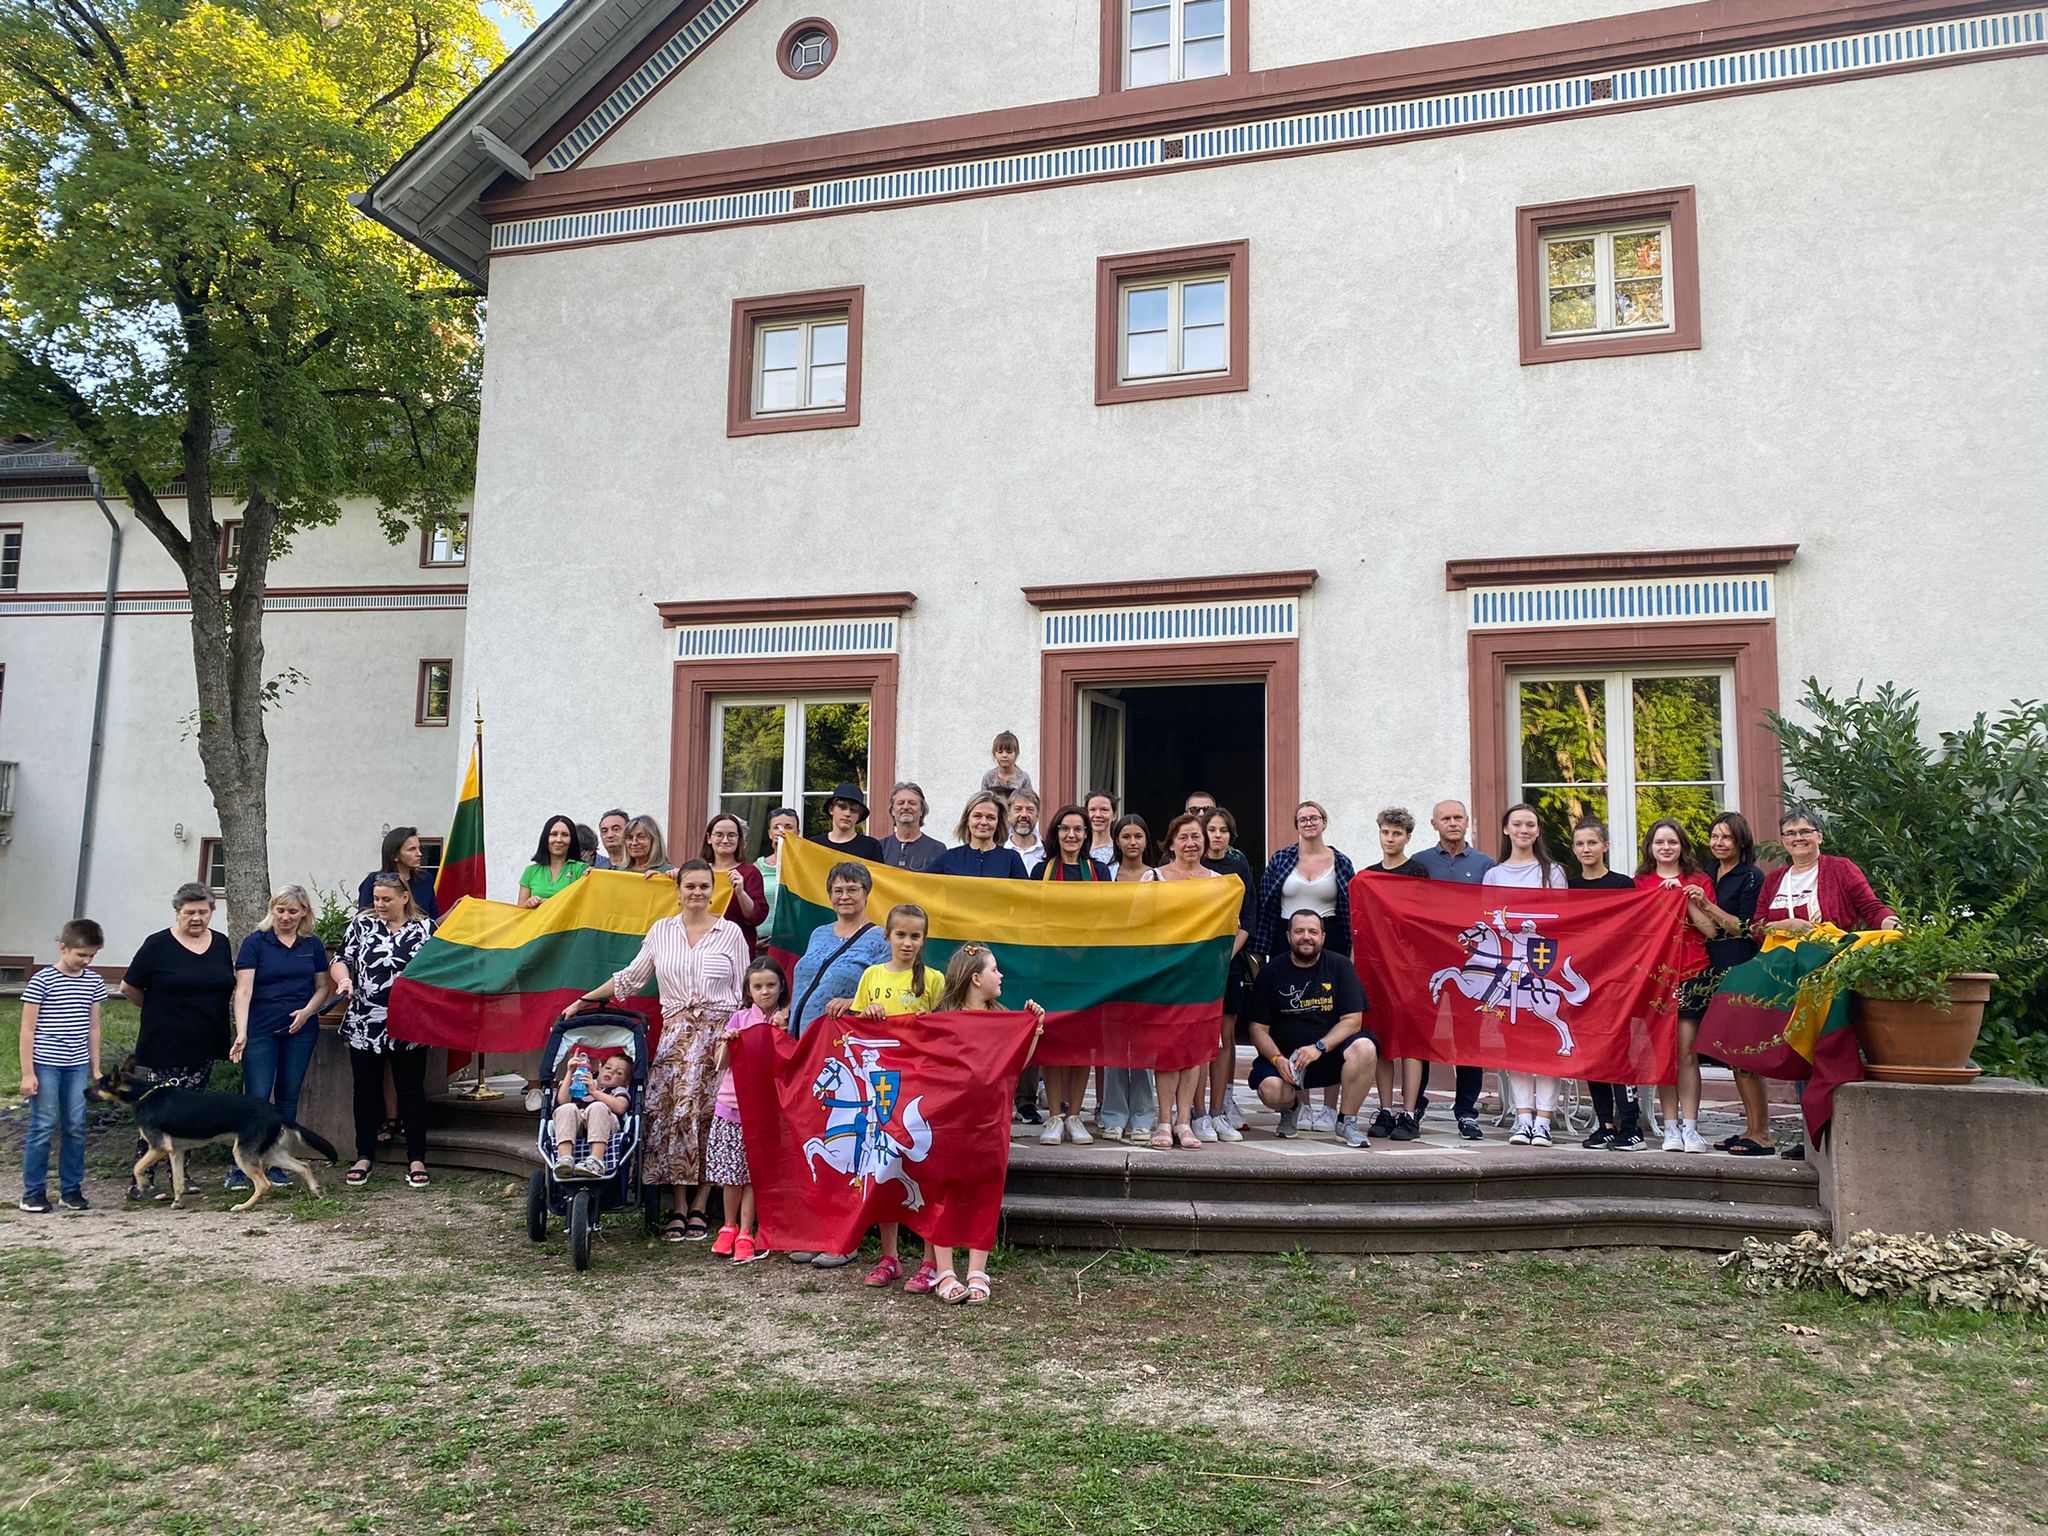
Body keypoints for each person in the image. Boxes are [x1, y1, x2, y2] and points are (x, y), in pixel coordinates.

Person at [560, 861, 751, 1243]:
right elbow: (629, 978)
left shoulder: (730, 932)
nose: (696, 893)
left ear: (712, 891)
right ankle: (678, 1205)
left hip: (720, 1041)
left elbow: (745, 991)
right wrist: (583, 1000)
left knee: (714, 1118)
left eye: (703, 886)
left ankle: (702, 1201)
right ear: (678, 890)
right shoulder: (661, 931)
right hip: (678, 1039)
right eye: (689, 886)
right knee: (674, 1119)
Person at [928, 943, 1045, 1304]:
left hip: (989, 1120)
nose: (1001, 976)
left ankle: (978, 1268)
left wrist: (1032, 1029)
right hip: (947, 1120)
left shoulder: (1002, 1018)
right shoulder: (942, 1017)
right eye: (995, 970)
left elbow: (1015, 1065)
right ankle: (944, 1270)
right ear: (976, 978)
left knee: (985, 1189)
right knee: (941, 1189)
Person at [850, 903, 946, 1292]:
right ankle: (889, 1257)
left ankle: (929, 1261)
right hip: (882, 1085)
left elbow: (946, 1029)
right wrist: (866, 1012)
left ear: (924, 940)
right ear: (887, 936)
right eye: (901, 935)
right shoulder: (871, 976)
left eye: (915, 936)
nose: (907, 943)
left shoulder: (934, 979)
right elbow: (855, 1028)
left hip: (921, 1085)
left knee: (923, 1169)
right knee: (883, 1165)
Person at [121, 883, 235, 1201]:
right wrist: (157, 1009)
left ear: (212, 911)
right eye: (189, 912)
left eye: (203, 911)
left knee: (189, 1113)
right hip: (164, 1043)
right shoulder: (157, 945)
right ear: (177, 912)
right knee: (158, 1113)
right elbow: (128, 987)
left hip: (205, 1041)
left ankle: (181, 1174)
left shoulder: (221, 944)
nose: (197, 918)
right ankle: (141, 1178)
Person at [1140, 814, 1245, 1149]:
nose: (1191, 843)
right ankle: (1163, 1121)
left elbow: (1230, 927)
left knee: (1196, 1048)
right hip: (1165, 976)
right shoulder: (1153, 878)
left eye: (1196, 837)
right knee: (1169, 1049)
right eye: (1183, 837)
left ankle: (1185, 1122)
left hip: (1203, 977)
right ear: (1170, 844)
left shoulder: (1219, 882)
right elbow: (1138, 924)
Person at [1250, 801, 1356, 1132]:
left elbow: (1352, 907)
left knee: (1330, 1014)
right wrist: (1261, 953)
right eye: (1302, 819)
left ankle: (1329, 1107)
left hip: (1331, 939)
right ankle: (1301, 1101)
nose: (1309, 823)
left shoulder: (1340, 861)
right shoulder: (1282, 859)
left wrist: (1352, 951)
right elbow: (1266, 905)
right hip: (1288, 941)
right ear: (1296, 824)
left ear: (1325, 822)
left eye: (1314, 818)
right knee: (1293, 1017)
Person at [330, 873, 436, 1189]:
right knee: (365, 1090)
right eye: (376, 899)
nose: (379, 905)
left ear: (404, 898)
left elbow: (440, 968)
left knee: (411, 1091)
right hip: (365, 1020)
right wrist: (344, 979)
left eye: (386, 899)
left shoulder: (425, 928)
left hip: (410, 1024)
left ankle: (417, 1157)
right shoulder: (362, 925)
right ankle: (364, 1155)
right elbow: (341, 958)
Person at [229, 884, 333, 1190]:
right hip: (261, 1029)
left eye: (292, 911)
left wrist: (306, 1012)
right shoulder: (256, 942)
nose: (285, 917)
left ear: (304, 913)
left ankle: (276, 1163)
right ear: (272, 910)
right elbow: (244, 990)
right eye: (280, 910)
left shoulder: (311, 944)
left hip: (300, 1030)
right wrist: (242, 1032)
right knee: (256, 1098)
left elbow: (323, 987)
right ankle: (242, 1167)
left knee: (288, 1098)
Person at [1247, 911, 1379, 1147]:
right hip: (1288, 1060)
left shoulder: (1341, 967)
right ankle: (1292, 1107)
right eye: (1299, 931)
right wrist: (1277, 1059)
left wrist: (1319, 1047)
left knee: (1365, 1047)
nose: (1306, 937)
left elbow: (1353, 1020)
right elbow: (1257, 1028)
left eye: (1312, 932)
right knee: (1270, 1090)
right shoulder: (1270, 972)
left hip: (1330, 1055)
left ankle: (1346, 1121)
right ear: (1288, 936)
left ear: (1323, 936)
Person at [1483, 803, 1571, 1147]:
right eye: (1517, 824)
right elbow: (1487, 920)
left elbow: (1563, 918)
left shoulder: (1553, 872)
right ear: (1506, 830)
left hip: (1542, 961)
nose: (1524, 830)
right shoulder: (1494, 875)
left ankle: (1544, 1119)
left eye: (1530, 824)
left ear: (1537, 831)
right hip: (1506, 961)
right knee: (1516, 1040)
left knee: (1546, 1041)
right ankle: (1522, 1117)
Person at [1637, 818, 1724, 1155]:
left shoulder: (1699, 881)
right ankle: (1669, 1127)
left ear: (1682, 846)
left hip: (1692, 971)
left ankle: (1691, 1126)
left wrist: (1687, 900)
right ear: (1650, 848)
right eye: (1659, 842)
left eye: (1672, 842)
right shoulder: (1640, 883)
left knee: (1687, 1052)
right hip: (1655, 978)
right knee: (1664, 1052)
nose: (1666, 848)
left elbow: (1712, 931)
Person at [1413, 800, 1497, 1141]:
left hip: (1471, 963)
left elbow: (1494, 912)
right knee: (1422, 1035)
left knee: (1469, 1038)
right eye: (1445, 818)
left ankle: (1466, 1112)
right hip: (1428, 961)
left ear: (1468, 821)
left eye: (1458, 818)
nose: (1452, 823)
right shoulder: (1419, 863)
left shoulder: (1485, 865)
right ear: (1434, 824)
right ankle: (1414, 1105)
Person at [1566, 818, 1646, 1151]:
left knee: (1617, 1054)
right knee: (1592, 1055)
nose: (1586, 849)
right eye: (1580, 844)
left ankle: (1632, 1126)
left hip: (1615, 983)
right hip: (1580, 983)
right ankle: (1606, 1124)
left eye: (1592, 843)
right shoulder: (1569, 887)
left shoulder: (1622, 885)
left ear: (1605, 847)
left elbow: (1634, 933)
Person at [17, 919, 105, 1214]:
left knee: (76, 1126)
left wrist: (95, 1067)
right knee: (43, 1125)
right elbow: (28, 1030)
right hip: (45, 1064)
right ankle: (33, 1192)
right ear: (63, 947)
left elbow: (93, 1027)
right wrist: (28, 1073)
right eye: (81, 955)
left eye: (92, 955)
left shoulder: (92, 982)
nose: (86, 961)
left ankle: (71, 1189)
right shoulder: (42, 980)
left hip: (77, 1065)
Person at [1030, 803, 1105, 1136]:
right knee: (1054, 1042)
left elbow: (1107, 918)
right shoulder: (1040, 871)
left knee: (1082, 1043)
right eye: (1065, 828)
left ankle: (1075, 1116)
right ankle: (1055, 1117)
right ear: (1055, 833)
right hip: (1051, 965)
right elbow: (1034, 919)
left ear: (1086, 835)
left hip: (1089, 967)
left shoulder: (1100, 872)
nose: (1071, 835)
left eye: (1078, 829)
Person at [1700, 812, 1772, 1155]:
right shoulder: (1709, 873)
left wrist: (1708, 906)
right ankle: (1749, 1129)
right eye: (1714, 836)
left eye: (1726, 837)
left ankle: (1762, 1134)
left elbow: (1745, 928)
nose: (1718, 843)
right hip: (1712, 968)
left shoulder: (1751, 877)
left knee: (1745, 1054)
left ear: (1741, 841)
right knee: (1732, 1055)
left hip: (1741, 968)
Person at [707, 958, 786, 1263]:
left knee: (754, 1175)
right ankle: (728, 1225)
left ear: (781, 987)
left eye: (771, 985)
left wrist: (781, 1029)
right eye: (758, 986)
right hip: (731, 1107)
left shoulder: (784, 1019)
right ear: (748, 990)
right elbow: (720, 1063)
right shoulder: (739, 1018)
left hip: (766, 1110)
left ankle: (746, 1231)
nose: (765, 992)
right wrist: (728, 1043)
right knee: (731, 1174)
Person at [1358, 808, 1430, 1142]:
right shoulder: (1367, 877)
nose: (1390, 839)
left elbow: (1425, 924)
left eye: (1397, 834)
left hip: (1411, 970)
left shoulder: (1419, 873)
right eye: (1385, 833)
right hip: (1376, 972)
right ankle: (1386, 1109)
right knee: (1382, 1042)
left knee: (1411, 1044)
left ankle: (1409, 1111)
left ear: (1408, 837)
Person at [1196, 806, 1255, 1143]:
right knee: (1197, 1036)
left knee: (1224, 1038)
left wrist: (1225, 955)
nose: (1217, 835)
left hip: (1227, 962)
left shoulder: (1238, 867)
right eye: (1211, 830)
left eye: (1223, 830)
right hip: (1193, 964)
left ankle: (1219, 1111)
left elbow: (1248, 918)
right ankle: (1195, 1110)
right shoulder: (1195, 868)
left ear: (1231, 835)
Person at [1754, 806, 1901, 939]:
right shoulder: (1773, 880)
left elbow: (1872, 910)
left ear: (1819, 836)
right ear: (1783, 840)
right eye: (1790, 833)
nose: (1798, 838)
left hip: (1834, 959)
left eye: (1805, 831)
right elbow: (1756, 928)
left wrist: (1897, 928)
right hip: (1781, 961)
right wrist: (1784, 926)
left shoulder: (1841, 868)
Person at [550, 1047, 630, 1179]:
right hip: (576, 1125)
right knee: (567, 1108)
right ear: (600, 1069)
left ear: (626, 1081)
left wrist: (595, 1093)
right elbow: (563, 1101)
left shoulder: (617, 1090)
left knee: (598, 1106)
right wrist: (570, 1072)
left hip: (605, 1126)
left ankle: (595, 1160)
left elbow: (621, 1107)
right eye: (608, 1068)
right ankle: (564, 1159)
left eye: (619, 1073)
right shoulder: (583, 1081)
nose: (611, 1072)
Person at [702, 812, 768, 951]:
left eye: (731, 835)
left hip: (736, 950)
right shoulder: (698, 871)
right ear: (709, 838)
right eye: (719, 834)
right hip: (700, 948)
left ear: (739, 839)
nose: (725, 840)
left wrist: (741, 893)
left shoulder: (749, 873)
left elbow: (756, 917)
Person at [929, 792, 1029, 879]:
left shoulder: (1011, 859)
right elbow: (920, 888)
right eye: (977, 816)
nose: (983, 822)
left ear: (998, 823)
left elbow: (1026, 895)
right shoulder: (949, 858)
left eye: (991, 817)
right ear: (967, 820)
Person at [356, 826, 440, 921]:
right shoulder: (373, 882)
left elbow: (433, 922)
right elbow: (364, 921)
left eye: (418, 848)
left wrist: (452, 911)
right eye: (412, 849)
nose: (419, 853)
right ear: (395, 856)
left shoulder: (425, 880)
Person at [519, 814, 589, 907]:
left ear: (572, 840)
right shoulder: (530, 871)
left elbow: (584, 907)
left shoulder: (581, 869)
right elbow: (518, 913)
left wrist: (551, 904)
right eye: (554, 834)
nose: (559, 840)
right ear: (545, 838)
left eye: (565, 835)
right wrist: (527, 905)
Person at [754, 806, 802, 932]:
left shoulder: (805, 867)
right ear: (770, 834)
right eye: (777, 827)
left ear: (798, 833)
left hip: (794, 941)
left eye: (788, 827)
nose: (782, 831)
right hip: (762, 941)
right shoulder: (757, 868)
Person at [880, 782, 948, 871]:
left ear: (921, 810)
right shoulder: (880, 847)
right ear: (892, 810)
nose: (906, 807)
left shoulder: (937, 849)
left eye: (912, 803)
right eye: (900, 803)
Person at [821, 782, 886, 862]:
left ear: (859, 815)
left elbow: (878, 874)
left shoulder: (870, 846)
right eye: (842, 807)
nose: (847, 814)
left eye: (853, 810)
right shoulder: (814, 844)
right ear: (831, 809)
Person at [981, 729, 1036, 805]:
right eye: (1000, 752)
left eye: (1009, 752)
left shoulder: (1023, 778)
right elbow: (983, 802)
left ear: (1016, 754)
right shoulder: (988, 778)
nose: (1004, 755)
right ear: (994, 754)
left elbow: (1030, 802)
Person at [1006, 789, 1047, 876]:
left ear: (1037, 816)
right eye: (1018, 809)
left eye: (1030, 810)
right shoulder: (999, 852)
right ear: (1008, 815)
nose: (1024, 815)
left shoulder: (1049, 853)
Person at [1107, 813, 1153, 881]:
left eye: (1138, 836)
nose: (1133, 842)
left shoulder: (1156, 876)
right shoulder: (1107, 874)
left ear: (1146, 840)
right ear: (1117, 842)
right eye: (1126, 837)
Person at [1084, 791, 1118, 867]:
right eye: (1092, 810)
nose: (1098, 815)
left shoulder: (1120, 851)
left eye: (1104, 810)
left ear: (1114, 816)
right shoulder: (1079, 850)